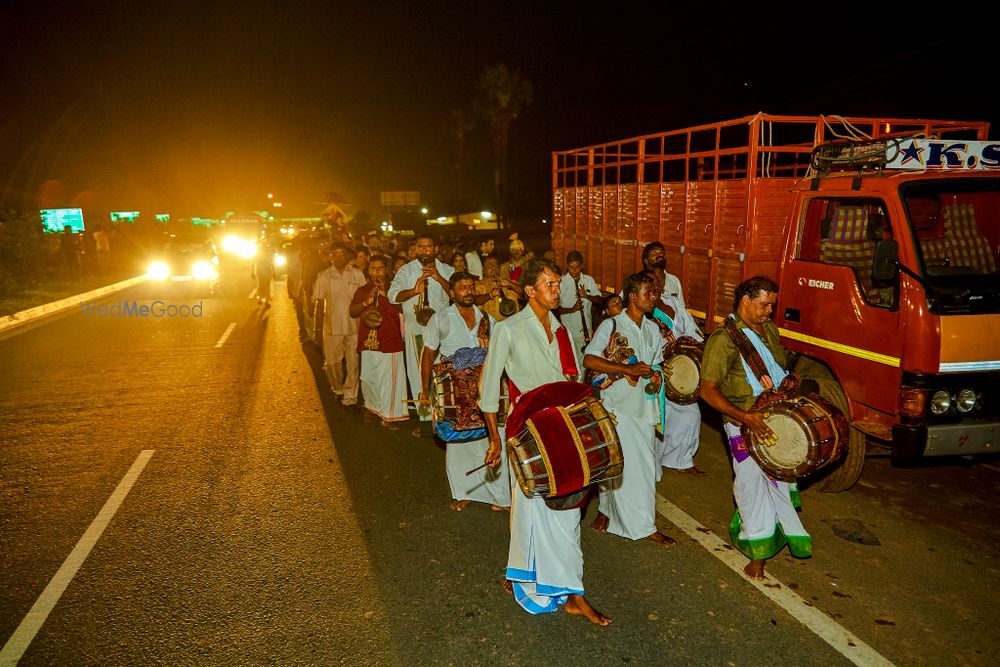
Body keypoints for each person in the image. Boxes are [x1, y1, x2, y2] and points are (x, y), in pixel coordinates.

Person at [479, 257, 612, 626]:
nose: (556, 290)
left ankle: (572, 593)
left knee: (568, 509)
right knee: (528, 510)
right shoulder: (507, 329)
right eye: (549, 284)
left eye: (557, 284)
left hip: (564, 430)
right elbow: (489, 390)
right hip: (526, 431)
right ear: (529, 290)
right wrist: (493, 439)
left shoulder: (562, 331)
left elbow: (570, 379)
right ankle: (526, 574)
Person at [699, 276, 812, 581]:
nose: (769, 312)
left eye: (772, 306)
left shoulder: (770, 330)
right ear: (745, 300)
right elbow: (706, 390)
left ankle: (776, 532)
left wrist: (789, 382)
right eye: (764, 305)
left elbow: (777, 370)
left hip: (776, 418)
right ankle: (758, 552)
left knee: (781, 481)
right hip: (742, 424)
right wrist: (745, 417)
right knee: (751, 488)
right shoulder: (723, 339)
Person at [583, 272, 676, 546]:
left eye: (656, 293)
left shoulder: (651, 328)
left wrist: (657, 375)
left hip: (644, 408)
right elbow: (589, 359)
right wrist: (627, 369)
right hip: (616, 408)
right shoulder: (612, 325)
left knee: (642, 468)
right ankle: (639, 524)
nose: (654, 298)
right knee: (616, 464)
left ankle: (618, 515)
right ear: (633, 297)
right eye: (649, 293)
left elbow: (656, 364)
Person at [419, 272, 510, 512]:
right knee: (459, 446)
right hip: (454, 392)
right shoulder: (440, 319)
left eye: (471, 286)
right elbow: (428, 354)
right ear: (451, 293)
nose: (468, 291)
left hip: (484, 389)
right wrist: (424, 388)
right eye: (462, 287)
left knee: (493, 438)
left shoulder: (488, 320)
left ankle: (500, 498)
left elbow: (500, 354)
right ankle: (466, 492)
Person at [388, 234, 454, 435]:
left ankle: (445, 419)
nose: (425, 250)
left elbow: (455, 293)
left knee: (443, 373)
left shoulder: (446, 269)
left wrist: (438, 278)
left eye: (429, 246)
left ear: (435, 249)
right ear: (416, 249)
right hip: (417, 330)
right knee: (419, 375)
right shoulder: (406, 270)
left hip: (443, 329)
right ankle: (426, 422)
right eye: (421, 246)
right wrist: (413, 291)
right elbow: (392, 296)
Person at [644, 270, 706, 477]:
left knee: (691, 414)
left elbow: (690, 327)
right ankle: (651, 465)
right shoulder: (641, 309)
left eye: (660, 283)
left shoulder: (671, 303)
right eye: (653, 284)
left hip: (680, 368)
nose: (658, 287)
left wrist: (694, 344)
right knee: (656, 419)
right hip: (656, 370)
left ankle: (680, 459)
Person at [349, 255, 408, 429]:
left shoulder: (395, 289)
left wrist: (386, 296)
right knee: (368, 378)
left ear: (386, 270)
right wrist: (367, 301)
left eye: (380, 268)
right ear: (368, 270)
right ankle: (371, 407)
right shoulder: (363, 290)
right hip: (369, 341)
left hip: (390, 340)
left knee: (390, 380)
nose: (377, 272)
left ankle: (390, 415)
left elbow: (404, 311)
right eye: (373, 268)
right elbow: (352, 311)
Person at [313, 242, 367, 410]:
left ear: (347, 256)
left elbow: (365, 300)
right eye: (335, 254)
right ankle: (337, 389)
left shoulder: (357, 275)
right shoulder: (324, 276)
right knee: (332, 363)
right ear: (330, 257)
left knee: (353, 362)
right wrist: (317, 329)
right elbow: (319, 303)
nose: (339, 257)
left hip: (354, 326)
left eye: (342, 254)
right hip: (332, 327)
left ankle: (350, 397)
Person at [555, 250, 603, 375]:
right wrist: (572, 309)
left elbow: (600, 300)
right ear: (567, 266)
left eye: (577, 267)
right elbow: (555, 309)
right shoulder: (561, 283)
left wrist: (587, 296)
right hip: (571, 332)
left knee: (587, 365)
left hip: (587, 332)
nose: (574, 271)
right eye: (571, 267)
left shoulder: (588, 280)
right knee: (573, 366)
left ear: (582, 266)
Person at [473, 256, 523, 322]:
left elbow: (524, 293)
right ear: (483, 269)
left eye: (496, 266)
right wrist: (489, 295)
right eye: (490, 266)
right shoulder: (478, 285)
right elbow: (473, 301)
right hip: (489, 327)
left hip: (512, 324)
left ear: (499, 268)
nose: (493, 268)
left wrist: (510, 285)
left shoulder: (508, 282)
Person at [642, 241, 685, 309]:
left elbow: (681, 308)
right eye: (654, 253)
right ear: (646, 261)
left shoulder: (674, 280)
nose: (660, 255)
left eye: (661, 253)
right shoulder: (638, 280)